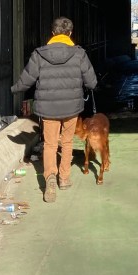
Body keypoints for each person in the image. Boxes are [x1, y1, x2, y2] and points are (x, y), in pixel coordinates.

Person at [11, 17, 98, 203]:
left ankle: (50, 178)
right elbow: (91, 82)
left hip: (48, 107)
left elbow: (27, 79)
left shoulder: (39, 54)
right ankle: (64, 178)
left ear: (52, 34)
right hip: (72, 107)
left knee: (50, 144)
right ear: (70, 33)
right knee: (66, 142)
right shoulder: (79, 54)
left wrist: (13, 89)